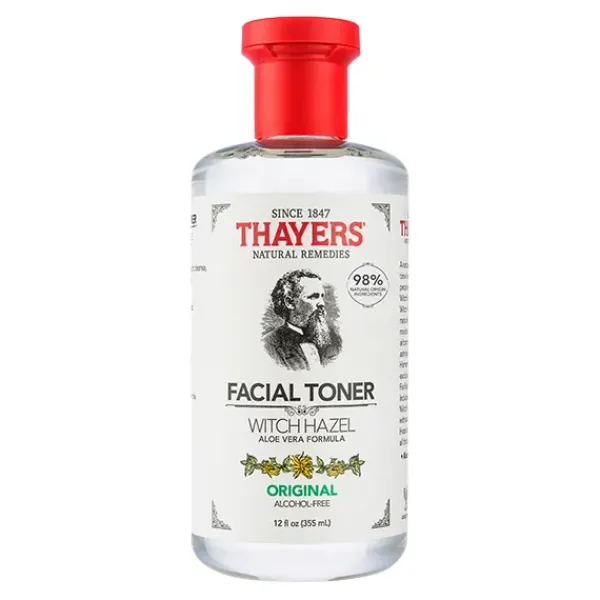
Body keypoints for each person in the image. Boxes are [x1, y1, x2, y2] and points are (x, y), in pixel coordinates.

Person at [263, 269, 342, 371]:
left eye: (322, 296)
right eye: (313, 297)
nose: (322, 303)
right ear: (289, 303)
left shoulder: (333, 340)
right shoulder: (269, 345)